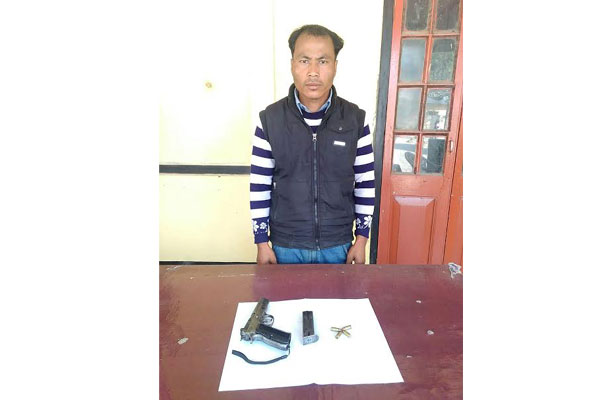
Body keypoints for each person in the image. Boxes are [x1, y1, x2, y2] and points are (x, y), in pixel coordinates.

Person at [249, 24, 375, 264]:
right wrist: (261, 243)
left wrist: (361, 240)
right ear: (292, 65)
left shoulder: (355, 120)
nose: (313, 72)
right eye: (304, 61)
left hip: (338, 246)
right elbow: (259, 185)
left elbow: (365, 183)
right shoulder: (270, 120)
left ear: (335, 66)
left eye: (323, 61)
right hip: (286, 246)